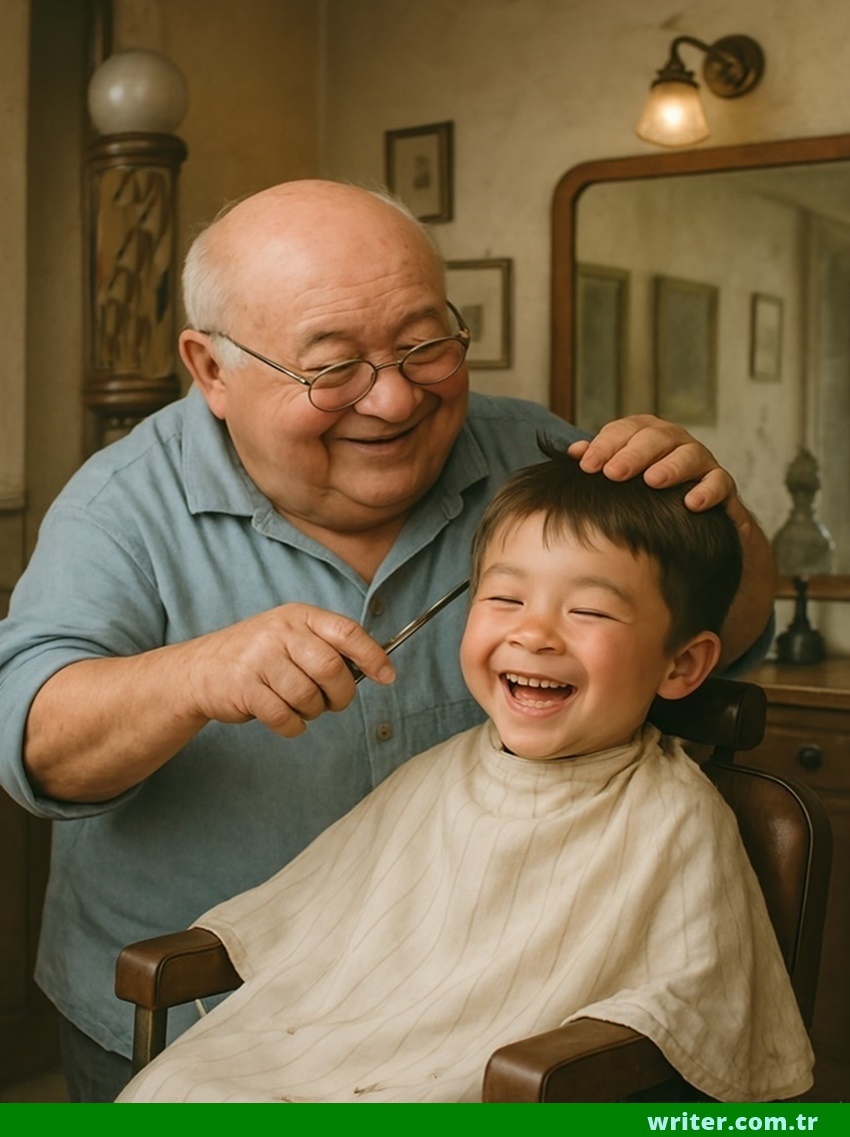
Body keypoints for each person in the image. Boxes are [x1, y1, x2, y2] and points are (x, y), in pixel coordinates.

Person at [0, 181, 777, 1103]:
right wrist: (194, 675)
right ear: (212, 369)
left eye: (425, 342)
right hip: (205, 1017)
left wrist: (718, 511)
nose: (396, 394)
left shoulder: (538, 457)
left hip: (478, 1034)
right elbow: (31, 746)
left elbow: (717, 631)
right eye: (332, 368)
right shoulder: (120, 502)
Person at [116, 446, 811, 1104]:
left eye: (590, 610)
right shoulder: (437, 775)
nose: (534, 633)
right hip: (338, 1045)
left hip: (490, 1083)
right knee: (184, 1086)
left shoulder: (675, 818)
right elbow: (308, 914)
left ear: (683, 664)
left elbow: (694, 1003)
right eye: (505, 598)